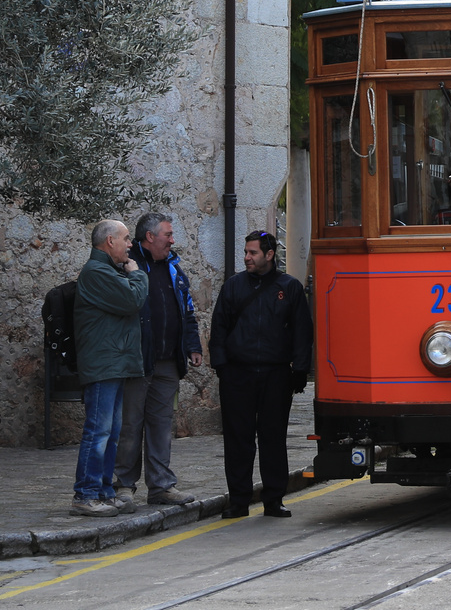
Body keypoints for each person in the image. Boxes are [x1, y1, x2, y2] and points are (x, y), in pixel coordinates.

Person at [209, 231, 313, 519]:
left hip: (275, 375)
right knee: (237, 439)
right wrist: (221, 366)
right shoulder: (233, 287)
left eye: (253, 252)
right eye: (245, 252)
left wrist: (300, 370)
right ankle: (239, 500)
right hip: (237, 375)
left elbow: (302, 332)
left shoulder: (289, 288)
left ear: (269, 255)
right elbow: (219, 327)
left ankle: (273, 499)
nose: (247, 257)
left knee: (273, 438)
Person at [113, 212, 204, 508]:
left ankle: (161, 486)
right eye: (168, 234)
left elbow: (187, 310)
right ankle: (123, 485)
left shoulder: (174, 268)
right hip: (137, 360)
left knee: (161, 425)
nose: (172, 240)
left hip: (168, 361)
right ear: (150, 237)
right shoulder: (127, 266)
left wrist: (193, 346)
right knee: (130, 425)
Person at [71, 219, 148, 517]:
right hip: (104, 363)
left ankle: (103, 491)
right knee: (98, 431)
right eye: (126, 238)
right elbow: (132, 300)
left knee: (112, 431)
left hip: (114, 363)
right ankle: (85, 493)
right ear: (109, 242)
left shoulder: (107, 271)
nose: (130, 244)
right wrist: (138, 275)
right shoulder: (97, 272)